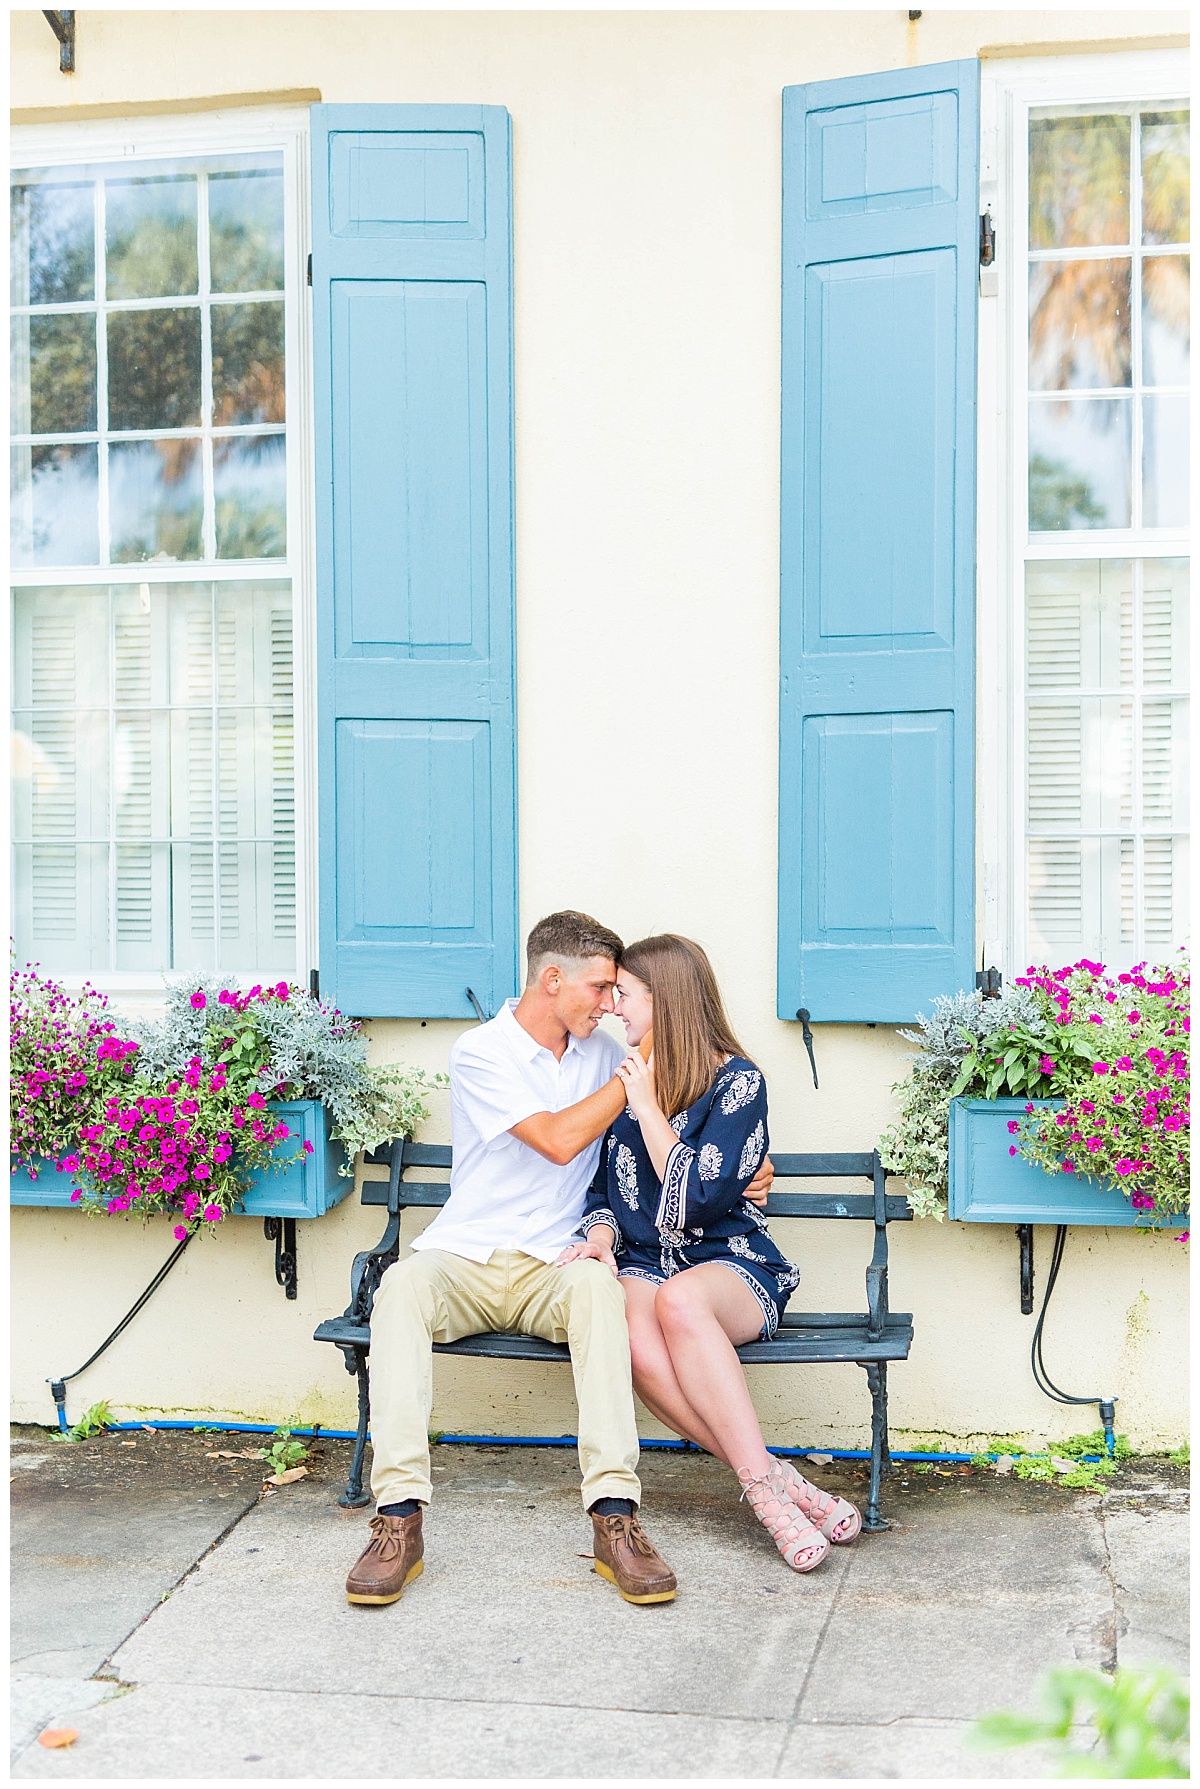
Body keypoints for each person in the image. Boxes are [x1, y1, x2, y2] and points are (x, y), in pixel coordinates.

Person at [343, 911, 773, 1610]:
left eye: (616, 992)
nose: (609, 1004)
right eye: (600, 987)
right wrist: (642, 1072)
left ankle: (615, 1517)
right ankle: (398, 1521)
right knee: (399, 1288)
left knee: (601, 1291)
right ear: (552, 979)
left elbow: (696, 1125)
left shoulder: (606, 1054)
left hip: (559, 1261)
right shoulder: (481, 1052)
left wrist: (757, 1166)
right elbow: (557, 1139)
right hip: (469, 1256)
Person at [558, 934, 861, 1574]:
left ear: (664, 1002)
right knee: (629, 1329)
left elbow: (697, 1199)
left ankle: (764, 1499)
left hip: (731, 1261)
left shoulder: (738, 1085)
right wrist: (602, 1235)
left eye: (626, 994)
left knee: (680, 1300)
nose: (614, 1007)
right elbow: (602, 1190)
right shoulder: (627, 1079)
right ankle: (778, 1484)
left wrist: (646, 1110)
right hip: (643, 1260)